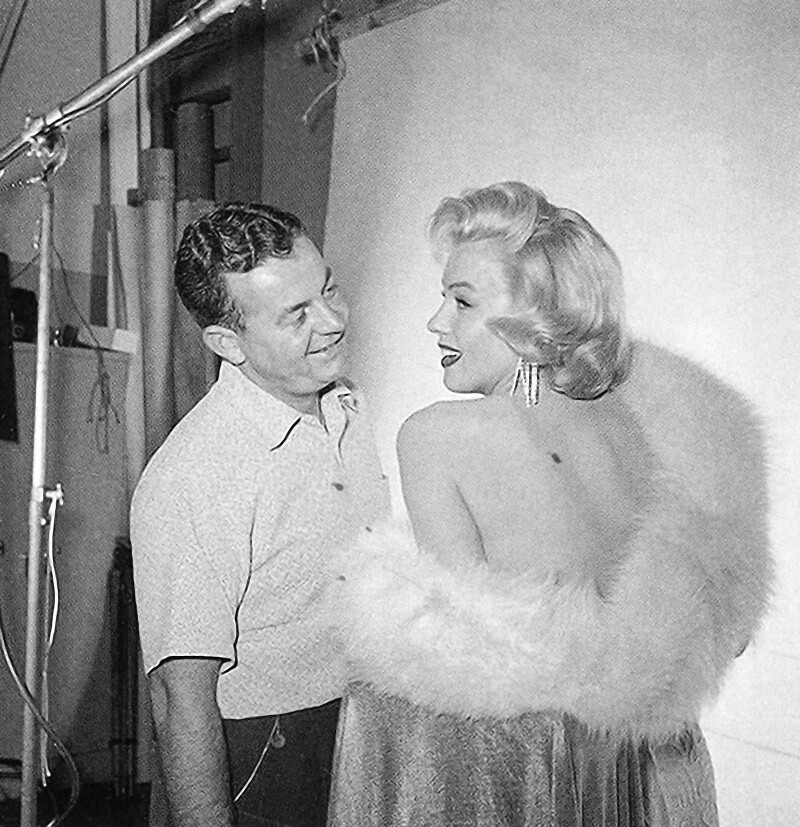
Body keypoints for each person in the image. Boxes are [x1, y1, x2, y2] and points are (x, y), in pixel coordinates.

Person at [326, 182, 772, 826]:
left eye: (462, 301)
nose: (436, 322)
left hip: (534, 775)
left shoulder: (433, 437)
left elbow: (467, 667)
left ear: (534, 317)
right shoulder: (651, 429)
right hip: (658, 771)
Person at [130, 203, 389, 827]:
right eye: (297, 315)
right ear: (228, 343)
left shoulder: (346, 407)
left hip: (360, 728)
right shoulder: (193, 474)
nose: (332, 322)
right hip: (263, 757)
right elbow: (179, 696)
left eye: (328, 289)